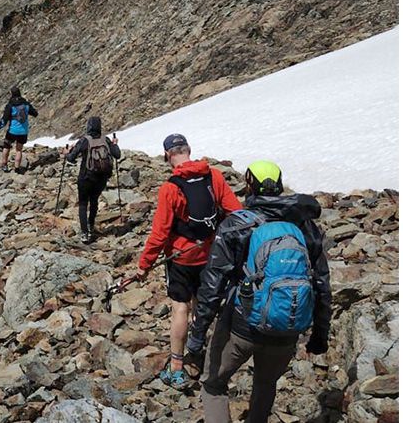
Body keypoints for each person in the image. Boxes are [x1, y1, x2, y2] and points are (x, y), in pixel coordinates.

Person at [185, 161, 332, 423]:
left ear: (249, 185)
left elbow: (212, 284)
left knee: (213, 384)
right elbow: (321, 283)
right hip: (287, 324)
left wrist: (197, 335)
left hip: (242, 325)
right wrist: (320, 334)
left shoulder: (237, 224)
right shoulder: (305, 227)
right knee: (265, 384)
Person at [133, 133, 242, 389]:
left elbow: (160, 234)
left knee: (180, 308)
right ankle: (205, 353)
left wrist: (144, 265)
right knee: (203, 304)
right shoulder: (213, 175)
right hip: (211, 253)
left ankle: (177, 368)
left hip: (180, 258)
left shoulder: (170, 188)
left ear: (167, 155)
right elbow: (235, 212)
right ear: (188, 149)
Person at [62, 116, 121, 244]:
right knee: (94, 201)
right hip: (101, 178)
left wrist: (67, 152)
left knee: (83, 204)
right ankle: (90, 225)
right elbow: (117, 155)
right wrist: (115, 144)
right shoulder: (105, 140)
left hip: (86, 177)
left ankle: (84, 233)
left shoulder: (84, 141)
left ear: (88, 127)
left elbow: (71, 158)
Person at [0, 86, 38, 173]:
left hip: (12, 131)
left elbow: (5, 119)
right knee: (19, 150)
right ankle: (17, 168)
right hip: (23, 132)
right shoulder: (26, 104)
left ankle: (4, 165)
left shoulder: (10, 105)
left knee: (6, 147)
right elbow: (35, 113)